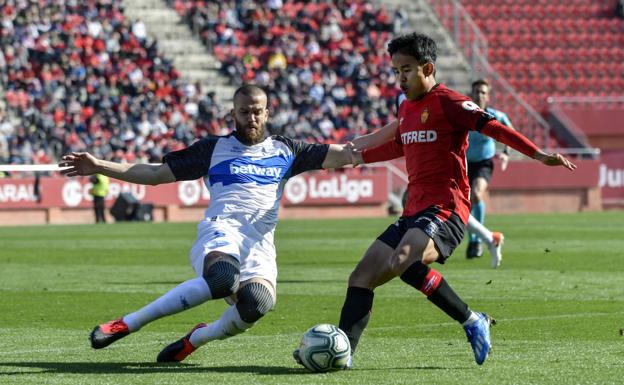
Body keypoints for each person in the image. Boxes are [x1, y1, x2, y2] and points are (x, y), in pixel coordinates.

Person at [59, 84, 359, 363]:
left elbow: (348, 153)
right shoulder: (214, 148)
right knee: (222, 281)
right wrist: (100, 165)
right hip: (222, 232)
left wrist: (401, 132)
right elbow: (155, 174)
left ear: (267, 113)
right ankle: (127, 323)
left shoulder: (288, 150)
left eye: (257, 111)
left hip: (259, 246)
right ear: (234, 113)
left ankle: (197, 338)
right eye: (244, 111)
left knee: (256, 304)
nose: (251, 117)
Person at [334, 33, 576, 369]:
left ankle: (470, 319)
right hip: (414, 210)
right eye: (395, 71)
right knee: (361, 276)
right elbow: (401, 145)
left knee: (402, 259)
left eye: (406, 69)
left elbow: (493, 127)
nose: (399, 78)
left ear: (427, 67)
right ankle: (341, 354)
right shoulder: (405, 107)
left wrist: (538, 154)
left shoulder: (450, 102)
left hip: (446, 208)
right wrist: (359, 157)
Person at [466, 78, 513, 260]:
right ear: (471, 95)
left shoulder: (495, 116)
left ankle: (477, 241)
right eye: (477, 92)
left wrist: (506, 152)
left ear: (488, 96)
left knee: (476, 194)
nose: (479, 95)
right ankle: (473, 238)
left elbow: (511, 133)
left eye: (483, 92)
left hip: (483, 164)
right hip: (463, 164)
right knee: (463, 203)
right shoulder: (463, 115)